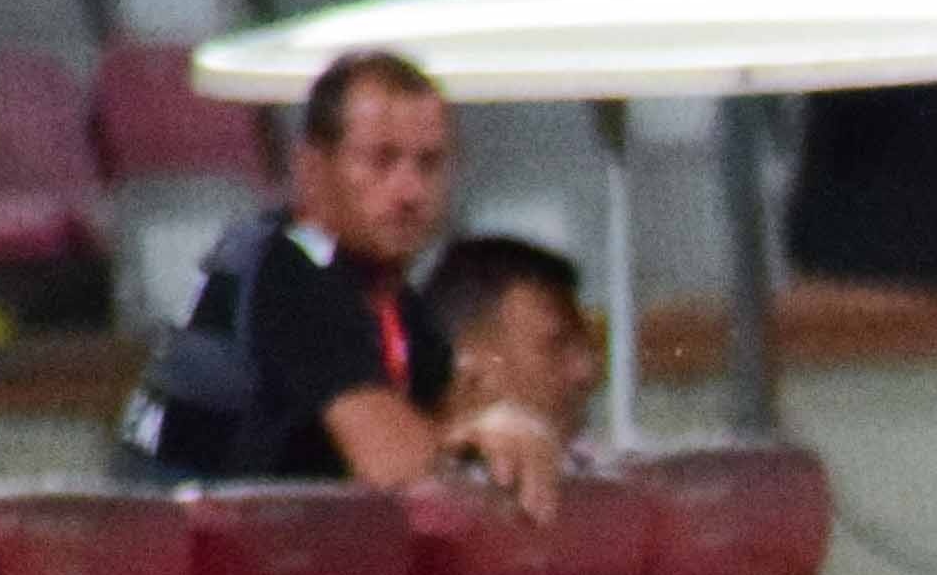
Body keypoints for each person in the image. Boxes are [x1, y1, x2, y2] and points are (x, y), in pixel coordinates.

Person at [116, 50, 569, 515]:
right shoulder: (287, 270)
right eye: (380, 160)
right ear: (312, 167)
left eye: (429, 164)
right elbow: (394, 466)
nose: (409, 191)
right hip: (169, 548)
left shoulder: (396, 304)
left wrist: (499, 427)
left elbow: (452, 420)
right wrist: (482, 433)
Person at [422, 232, 602, 454]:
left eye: (585, 345)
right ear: (466, 369)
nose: (586, 372)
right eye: (556, 346)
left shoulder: (592, 465)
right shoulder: (395, 472)